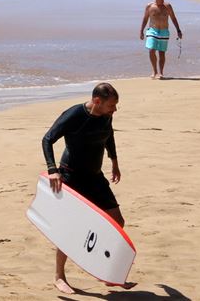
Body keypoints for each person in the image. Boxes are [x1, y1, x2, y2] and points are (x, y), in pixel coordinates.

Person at [41, 82, 128, 294]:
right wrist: (53, 170)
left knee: (118, 221)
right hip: (72, 176)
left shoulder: (106, 115)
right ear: (97, 101)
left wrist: (114, 161)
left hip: (95, 176)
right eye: (111, 105)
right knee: (70, 229)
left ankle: (106, 271)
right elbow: (47, 139)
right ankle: (59, 276)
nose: (114, 109)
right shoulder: (74, 115)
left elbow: (109, 136)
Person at [139, 0, 183, 79]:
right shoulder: (150, 6)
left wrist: (178, 30)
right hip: (152, 30)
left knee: (161, 53)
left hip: (164, 31)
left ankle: (161, 72)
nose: (162, 0)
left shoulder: (167, 6)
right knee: (151, 50)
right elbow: (145, 18)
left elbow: (173, 18)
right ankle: (154, 71)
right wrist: (141, 30)